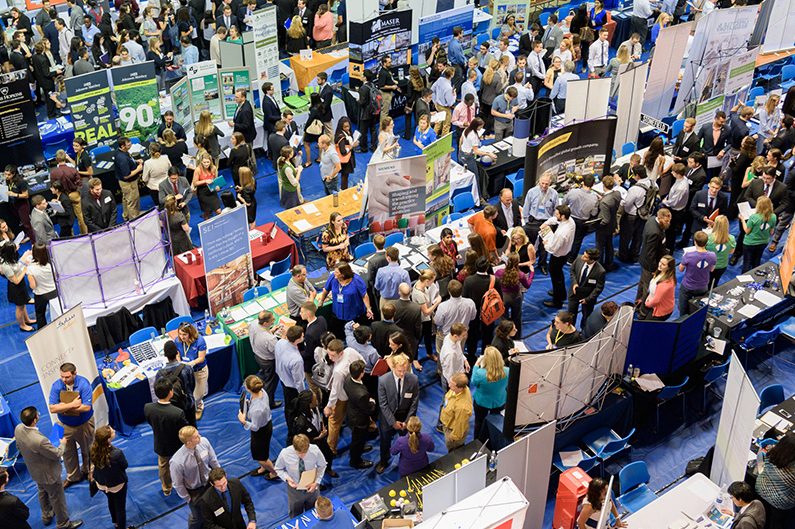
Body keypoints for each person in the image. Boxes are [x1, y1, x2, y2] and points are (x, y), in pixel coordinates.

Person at [14, 407, 83, 529]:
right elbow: (57, 453)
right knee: (57, 499)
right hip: (49, 474)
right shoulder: (39, 441)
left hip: (35, 471)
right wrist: (63, 443)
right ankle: (63, 524)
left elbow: (19, 446)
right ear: (35, 420)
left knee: (42, 492)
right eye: (38, 414)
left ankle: (46, 515)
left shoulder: (18, 428)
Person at [48, 362, 94, 487]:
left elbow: (86, 407)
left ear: (75, 373)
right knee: (67, 453)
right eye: (62, 376)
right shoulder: (56, 386)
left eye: (67, 377)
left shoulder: (84, 384)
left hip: (83, 424)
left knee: (88, 449)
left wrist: (63, 408)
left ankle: (90, 471)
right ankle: (73, 476)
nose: (64, 379)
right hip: (64, 425)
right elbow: (52, 408)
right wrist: (72, 405)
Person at [144, 378, 189, 497]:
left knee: (163, 467)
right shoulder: (177, 413)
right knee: (182, 464)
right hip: (177, 445)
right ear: (171, 392)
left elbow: (150, 422)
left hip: (161, 444)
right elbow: (185, 429)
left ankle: (166, 488)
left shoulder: (148, 408)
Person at [376, 354, 419, 474]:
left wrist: (407, 421)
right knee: (385, 442)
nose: (402, 374)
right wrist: (393, 422)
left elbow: (414, 402)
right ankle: (383, 461)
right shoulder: (383, 380)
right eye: (400, 371)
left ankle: (406, 460)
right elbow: (383, 404)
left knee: (407, 440)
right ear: (393, 367)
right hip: (388, 418)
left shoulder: (413, 379)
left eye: (404, 370)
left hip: (405, 416)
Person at [170, 426, 221, 529]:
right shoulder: (177, 461)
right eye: (196, 436)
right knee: (198, 517)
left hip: (209, 483)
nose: (200, 436)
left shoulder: (204, 442)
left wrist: (220, 474)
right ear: (189, 442)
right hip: (194, 491)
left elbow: (213, 460)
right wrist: (188, 499)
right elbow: (178, 484)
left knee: (215, 508)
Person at [275, 434, 327, 518]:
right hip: (295, 491)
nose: (303, 455)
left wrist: (317, 482)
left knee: (313, 514)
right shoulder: (285, 453)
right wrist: (287, 479)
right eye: (300, 453)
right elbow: (278, 469)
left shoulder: (315, 450)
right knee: (295, 515)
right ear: (294, 448)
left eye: (305, 452)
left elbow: (322, 465)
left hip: (312, 488)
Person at [238, 375, 278, 480]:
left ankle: (274, 472)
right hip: (265, 424)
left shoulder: (257, 410)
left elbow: (255, 427)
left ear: (249, 388)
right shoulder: (262, 392)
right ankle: (263, 468)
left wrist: (243, 421)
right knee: (262, 452)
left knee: (261, 457)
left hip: (261, 431)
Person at [317, 262, 373, 337]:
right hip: (337, 312)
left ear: (343, 274)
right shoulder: (333, 278)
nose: (334, 273)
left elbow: (364, 295)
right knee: (338, 333)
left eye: (336, 272)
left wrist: (368, 308)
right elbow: (326, 290)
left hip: (353, 314)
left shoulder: (356, 280)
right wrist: (321, 301)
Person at [90, 425, 129, 529]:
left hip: (102, 484)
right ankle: (121, 527)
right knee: (120, 507)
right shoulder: (117, 454)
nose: (114, 431)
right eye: (112, 431)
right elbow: (124, 465)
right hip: (117, 485)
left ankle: (115, 522)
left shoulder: (92, 449)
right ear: (108, 439)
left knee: (111, 501)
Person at [756, 432, 795, 529]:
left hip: (760, 488)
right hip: (779, 503)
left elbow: (760, 460)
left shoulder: (771, 454)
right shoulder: (793, 472)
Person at [541, 205, 576, 308]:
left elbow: (552, 249)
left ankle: (557, 301)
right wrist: (547, 223)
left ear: (563, 216)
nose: (555, 215)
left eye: (557, 214)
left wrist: (545, 244)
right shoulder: (570, 221)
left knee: (556, 278)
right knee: (559, 275)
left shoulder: (561, 233)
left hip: (558, 256)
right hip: (565, 252)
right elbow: (556, 220)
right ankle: (561, 294)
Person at [471, 346, 509, 442]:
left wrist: (476, 365)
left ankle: (478, 442)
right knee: (495, 423)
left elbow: (473, 382)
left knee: (479, 423)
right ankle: (493, 440)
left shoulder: (480, 373)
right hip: (499, 401)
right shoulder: (507, 371)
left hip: (482, 402)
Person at [156, 340, 198, 426]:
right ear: (177, 353)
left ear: (165, 355)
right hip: (188, 405)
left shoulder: (160, 374)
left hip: (171, 409)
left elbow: (159, 392)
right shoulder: (187, 368)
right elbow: (192, 385)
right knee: (192, 428)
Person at [344, 360, 376, 469]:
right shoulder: (361, 394)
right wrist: (372, 402)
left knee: (358, 440)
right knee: (357, 440)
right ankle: (356, 461)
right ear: (361, 373)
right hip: (359, 420)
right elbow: (369, 409)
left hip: (351, 412)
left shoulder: (348, 379)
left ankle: (360, 447)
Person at [175, 323, 209, 420]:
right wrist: (179, 362)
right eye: (180, 334)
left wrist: (191, 363)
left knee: (198, 395)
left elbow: (201, 358)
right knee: (187, 392)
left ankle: (199, 405)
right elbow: (177, 353)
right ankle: (196, 405)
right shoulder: (178, 341)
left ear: (190, 333)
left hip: (199, 371)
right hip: (186, 372)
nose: (182, 337)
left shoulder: (200, 341)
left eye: (184, 335)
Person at [636, 208, 671, 302]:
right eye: (666, 221)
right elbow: (650, 253)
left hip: (648, 261)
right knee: (647, 286)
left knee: (642, 283)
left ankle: (638, 301)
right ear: (660, 218)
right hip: (649, 265)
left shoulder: (652, 219)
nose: (668, 223)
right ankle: (642, 307)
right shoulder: (654, 232)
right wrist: (654, 269)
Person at [678, 231, 716, 315]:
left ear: (695, 241)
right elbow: (712, 269)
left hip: (688, 286)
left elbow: (680, 269)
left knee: (683, 309)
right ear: (706, 242)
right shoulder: (712, 255)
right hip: (702, 286)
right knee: (698, 308)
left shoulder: (688, 255)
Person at [248, 311, 281, 408]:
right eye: (272, 320)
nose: (274, 321)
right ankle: (270, 403)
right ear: (265, 323)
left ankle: (259, 386)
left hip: (258, 356)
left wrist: (271, 331)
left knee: (263, 375)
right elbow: (277, 351)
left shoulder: (254, 324)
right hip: (269, 361)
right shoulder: (270, 339)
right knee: (271, 382)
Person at [460, 118, 497, 202]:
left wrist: (460, 150)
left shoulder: (467, 129)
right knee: (475, 178)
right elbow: (476, 151)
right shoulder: (473, 136)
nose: (481, 128)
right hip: (468, 157)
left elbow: (461, 140)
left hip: (462, 153)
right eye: (480, 127)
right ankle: (480, 198)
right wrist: (489, 154)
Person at [495, 253, 533, 333]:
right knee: (516, 317)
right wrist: (532, 273)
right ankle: (516, 336)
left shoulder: (500, 272)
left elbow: (494, 282)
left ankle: (503, 335)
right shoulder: (520, 274)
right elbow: (527, 285)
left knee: (503, 317)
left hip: (504, 296)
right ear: (518, 262)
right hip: (516, 297)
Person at [0, 242, 33, 332]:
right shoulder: (6, 266)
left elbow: (17, 266)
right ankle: (22, 325)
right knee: (20, 307)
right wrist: (25, 269)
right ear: (10, 252)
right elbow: (16, 281)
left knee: (23, 304)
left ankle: (27, 320)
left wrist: (25, 256)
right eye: (15, 248)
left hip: (20, 284)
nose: (17, 248)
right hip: (15, 288)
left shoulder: (11, 258)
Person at [568, 248, 606, 327]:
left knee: (586, 317)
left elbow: (598, 288)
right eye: (583, 254)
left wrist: (588, 299)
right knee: (570, 315)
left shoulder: (600, 271)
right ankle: (570, 331)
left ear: (592, 260)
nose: (582, 257)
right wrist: (574, 283)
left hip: (588, 297)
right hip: (574, 293)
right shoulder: (579, 259)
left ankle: (584, 332)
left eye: (585, 257)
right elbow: (572, 270)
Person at [275, 325, 307, 414]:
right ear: (297, 339)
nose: (303, 336)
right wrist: (302, 394)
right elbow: (298, 381)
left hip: (282, 377)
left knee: (288, 404)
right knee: (293, 408)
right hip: (291, 387)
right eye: (302, 336)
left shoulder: (280, 342)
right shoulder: (297, 360)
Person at [740, 195, 776, 272]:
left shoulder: (754, 217)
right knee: (757, 261)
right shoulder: (773, 217)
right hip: (763, 242)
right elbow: (772, 232)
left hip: (750, 243)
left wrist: (743, 220)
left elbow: (747, 231)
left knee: (747, 262)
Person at [26, 243, 56, 329]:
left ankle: (43, 333)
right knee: (56, 312)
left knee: (40, 315)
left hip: (41, 295)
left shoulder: (31, 269)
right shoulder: (51, 264)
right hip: (53, 292)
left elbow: (33, 286)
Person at [440, 372, 472, 452]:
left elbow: (460, 426)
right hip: (447, 423)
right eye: (450, 382)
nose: (449, 385)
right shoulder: (457, 390)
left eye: (452, 385)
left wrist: (452, 437)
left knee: (454, 451)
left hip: (452, 430)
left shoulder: (462, 408)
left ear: (460, 388)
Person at [114, 137, 143, 222]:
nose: (131, 144)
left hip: (124, 183)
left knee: (126, 199)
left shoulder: (120, 151)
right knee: (132, 201)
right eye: (128, 144)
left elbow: (128, 161)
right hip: (129, 183)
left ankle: (126, 216)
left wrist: (135, 161)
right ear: (122, 146)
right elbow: (126, 175)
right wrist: (138, 169)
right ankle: (135, 220)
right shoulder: (122, 159)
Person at [643, 255, 676, 321]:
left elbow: (656, 300)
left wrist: (647, 303)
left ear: (669, 267)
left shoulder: (665, 284)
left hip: (661, 310)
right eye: (660, 262)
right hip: (654, 303)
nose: (660, 265)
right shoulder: (660, 272)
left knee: (647, 326)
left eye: (663, 264)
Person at [705, 215, 735, 286]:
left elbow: (703, 250)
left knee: (705, 282)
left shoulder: (709, 237)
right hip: (722, 265)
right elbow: (731, 252)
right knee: (715, 282)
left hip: (709, 265)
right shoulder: (731, 238)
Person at [192, 153, 222, 220]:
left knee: (218, 211)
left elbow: (215, 180)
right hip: (202, 192)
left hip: (212, 189)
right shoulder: (198, 170)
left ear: (210, 161)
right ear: (201, 162)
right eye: (204, 162)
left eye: (208, 162)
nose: (206, 164)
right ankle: (206, 216)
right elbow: (195, 183)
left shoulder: (213, 168)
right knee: (207, 213)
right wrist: (205, 181)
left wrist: (217, 186)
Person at [334, 117, 358, 190]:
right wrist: (352, 146)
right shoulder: (341, 137)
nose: (347, 128)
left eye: (348, 126)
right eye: (345, 127)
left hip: (348, 158)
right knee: (344, 176)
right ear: (341, 126)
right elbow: (343, 152)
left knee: (345, 175)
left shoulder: (346, 133)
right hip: (345, 160)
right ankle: (343, 190)